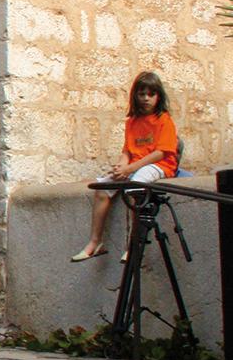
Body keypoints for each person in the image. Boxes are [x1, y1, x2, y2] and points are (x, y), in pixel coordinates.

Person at [71, 71, 179, 262]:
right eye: (142, 94)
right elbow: (127, 150)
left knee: (134, 187)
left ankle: (133, 243)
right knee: (103, 188)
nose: (146, 98)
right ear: (135, 96)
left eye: (150, 94)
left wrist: (129, 170)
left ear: (158, 96)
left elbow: (161, 153)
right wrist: (121, 166)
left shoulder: (164, 120)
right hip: (135, 165)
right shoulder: (132, 122)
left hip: (158, 165)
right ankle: (95, 242)